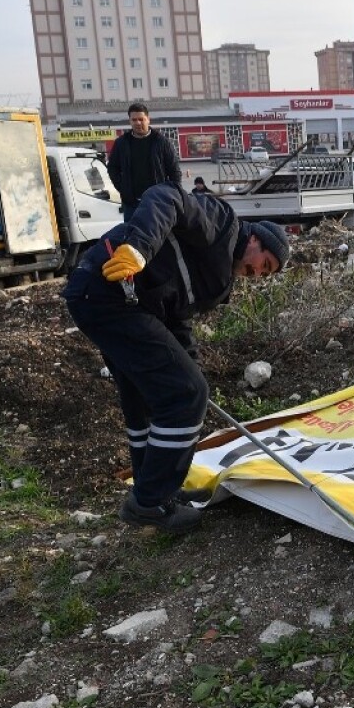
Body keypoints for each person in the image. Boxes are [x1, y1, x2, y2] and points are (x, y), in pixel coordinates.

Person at [62, 181, 291, 534]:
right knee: (186, 394)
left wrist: (190, 365)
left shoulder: (219, 282)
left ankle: (157, 491)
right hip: (107, 290)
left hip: (118, 305)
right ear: (256, 241)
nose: (258, 275)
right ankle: (151, 503)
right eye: (264, 264)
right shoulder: (222, 224)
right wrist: (138, 248)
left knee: (147, 400)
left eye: (265, 275)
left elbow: (177, 317)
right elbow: (165, 197)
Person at [107, 102, 182, 221]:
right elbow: (112, 168)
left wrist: (170, 195)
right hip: (131, 204)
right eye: (134, 119)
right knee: (133, 236)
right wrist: (123, 188)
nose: (137, 123)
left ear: (148, 120)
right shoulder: (121, 143)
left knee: (161, 237)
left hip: (158, 203)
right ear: (129, 121)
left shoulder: (161, 142)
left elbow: (175, 172)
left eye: (141, 119)